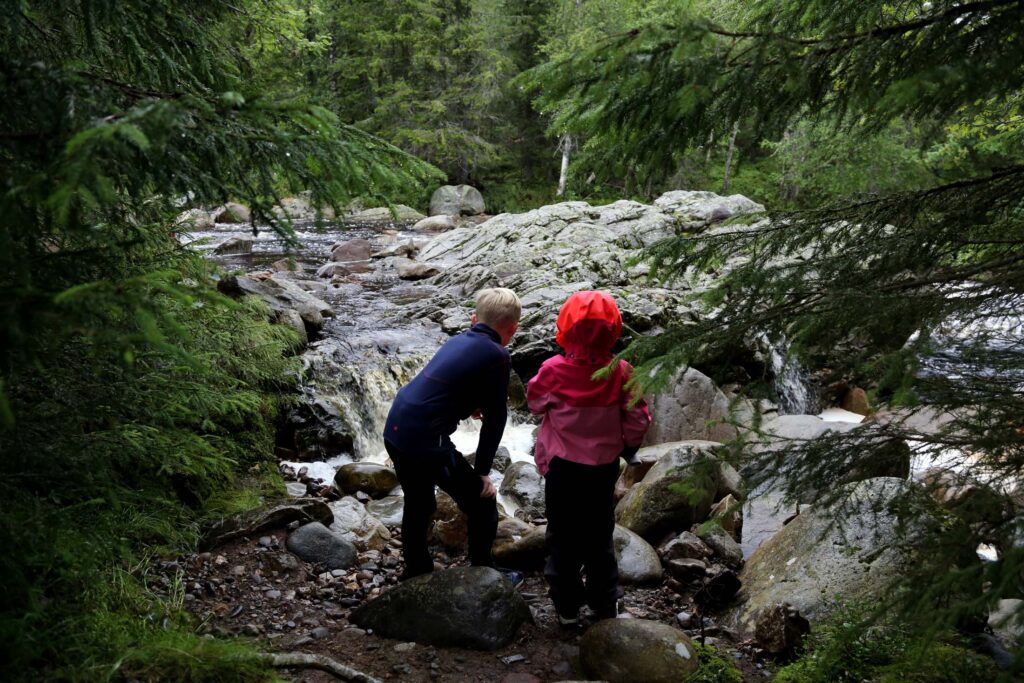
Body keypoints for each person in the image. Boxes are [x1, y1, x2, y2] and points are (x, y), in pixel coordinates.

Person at [526, 290, 652, 625]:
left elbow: (535, 403)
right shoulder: (622, 371)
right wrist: (629, 446)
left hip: (561, 469)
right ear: (614, 330)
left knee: (561, 536)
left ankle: (567, 607)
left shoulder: (552, 369)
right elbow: (639, 418)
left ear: (565, 328)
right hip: (601, 469)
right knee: (599, 535)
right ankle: (603, 604)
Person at [383, 287, 522, 581]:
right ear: (513, 329)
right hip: (424, 440)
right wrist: (483, 472)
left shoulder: (458, 340)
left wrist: (468, 405)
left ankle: (417, 568)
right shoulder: (498, 355)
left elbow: (443, 386)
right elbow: (496, 419)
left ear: (475, 320)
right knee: (482, 503)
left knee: (419, 502)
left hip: (396, 426)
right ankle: (484, 574)